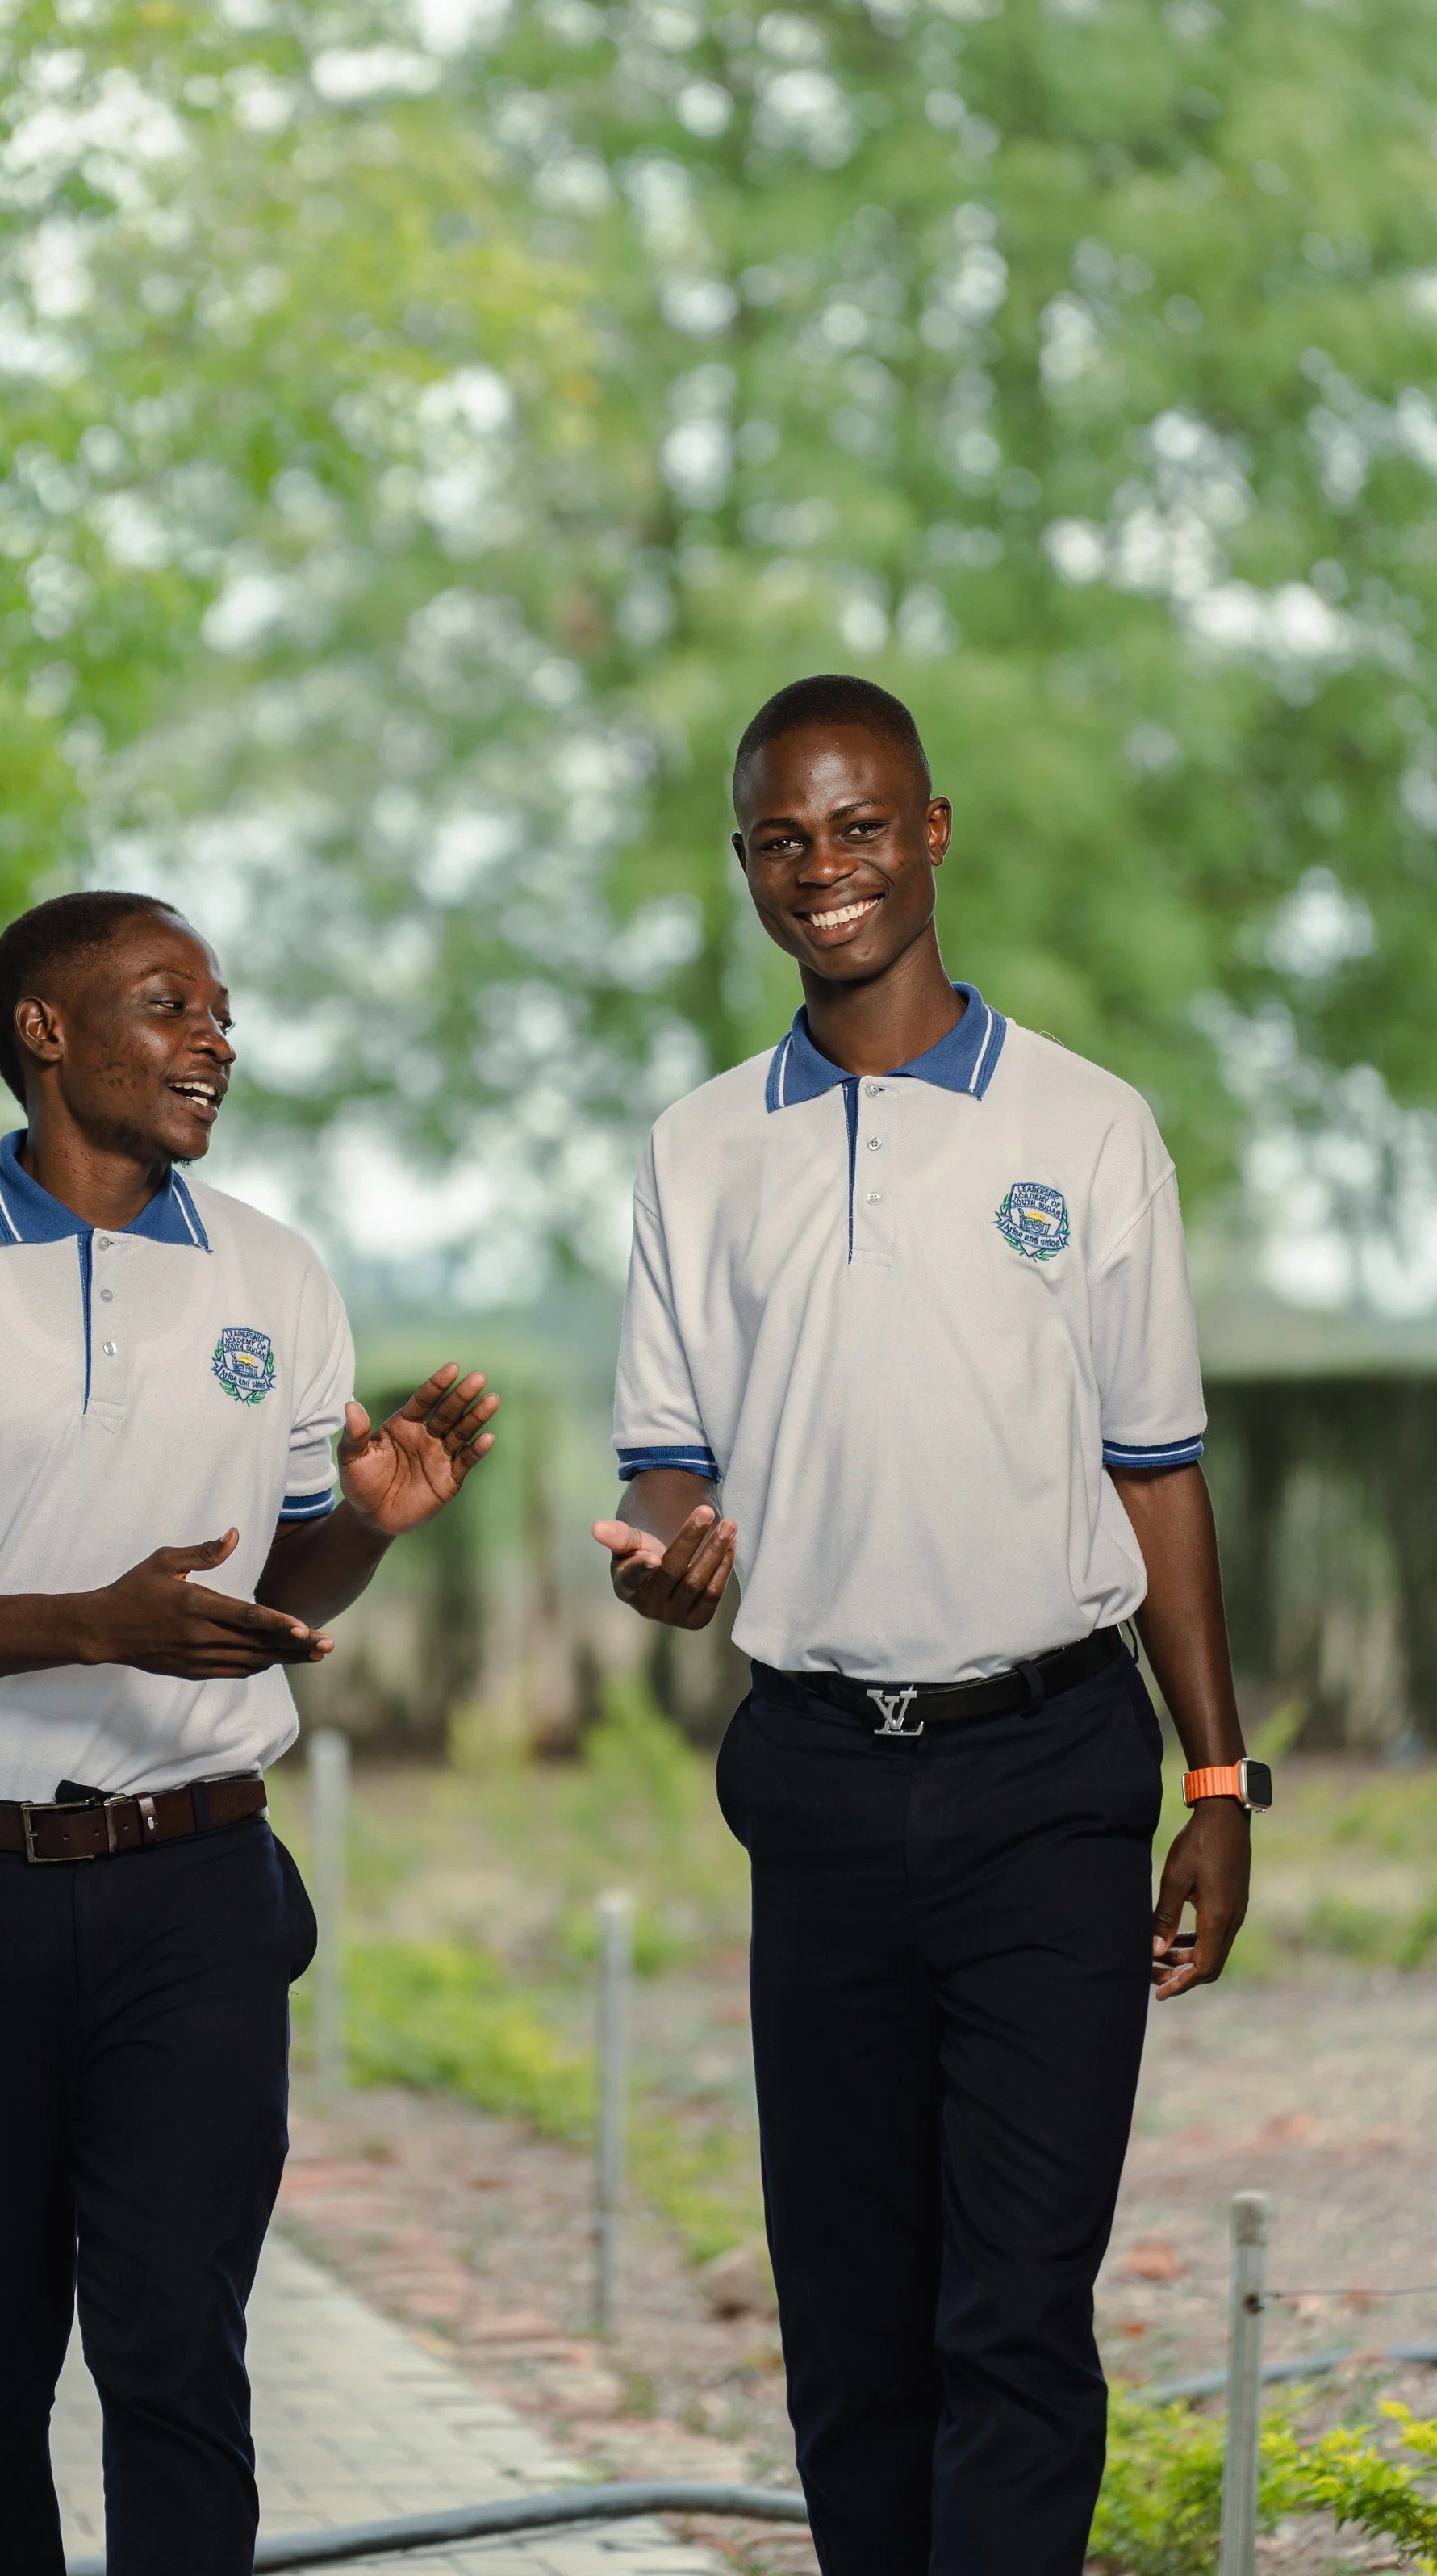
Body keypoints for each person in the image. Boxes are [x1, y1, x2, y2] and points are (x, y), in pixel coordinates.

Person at [594, 675, 1265, 2576]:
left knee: (1013, 2319)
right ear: (745, 868)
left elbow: (1155, 1477)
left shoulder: (1085, 1124)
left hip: (1050, 1770)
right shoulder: (696, 1150)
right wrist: (662, 1554)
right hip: (809, 1779)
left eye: (859, 826)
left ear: (932, 831)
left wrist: (1213, 1775)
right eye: (781, 841)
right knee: (855, 2328)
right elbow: (665, 1469)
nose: (825, 872)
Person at [0, 890, 499, 2576]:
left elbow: (273, 1595)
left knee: (177, 2359)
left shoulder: (275, 1275)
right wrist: (92, 1621)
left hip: (196, 1890)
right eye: (167, 1005)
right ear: (43, 1030)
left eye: (221, 1011)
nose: (213, 1041)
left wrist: (368, 1522)